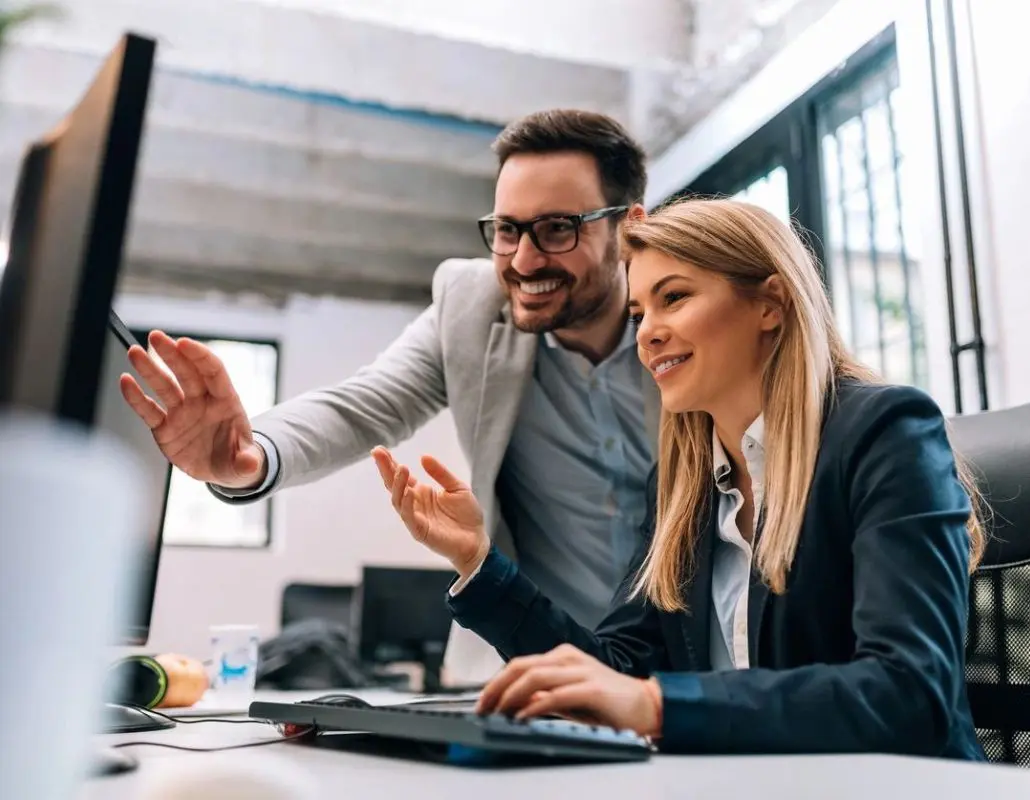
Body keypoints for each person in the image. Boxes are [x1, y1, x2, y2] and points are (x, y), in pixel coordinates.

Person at [371, 197, 988, 758]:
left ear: (769, 305)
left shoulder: (886, 434)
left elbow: (910, 692)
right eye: (640, 311)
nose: (648, 333)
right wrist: (479, 562)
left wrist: (657, 707)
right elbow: (614, 671)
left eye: (675, 298)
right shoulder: (680, 485)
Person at [118, 109, 660, 681]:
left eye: (557, 229)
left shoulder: (691, 321)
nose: (524, 260)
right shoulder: (472, 308)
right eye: (507, 229)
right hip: (535, 666)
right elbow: (364, 404)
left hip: (690, 668)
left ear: (628, 228)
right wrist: (251, 454)